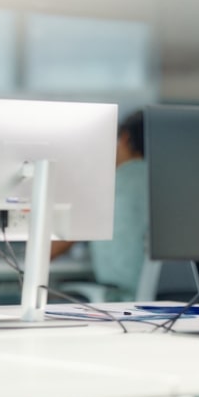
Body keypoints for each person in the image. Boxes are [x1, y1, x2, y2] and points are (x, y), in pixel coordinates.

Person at [51, 109, 148, 302]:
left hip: (123, 302)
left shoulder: (104, 186)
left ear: (125, 139)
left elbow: (49, 250)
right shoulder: (174, 184)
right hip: (176, 302)